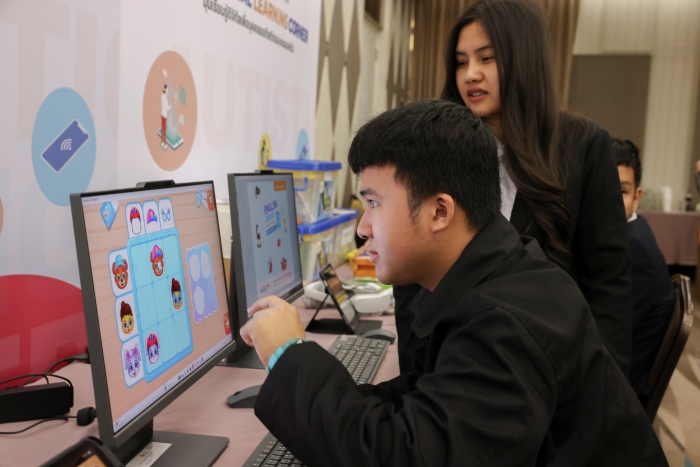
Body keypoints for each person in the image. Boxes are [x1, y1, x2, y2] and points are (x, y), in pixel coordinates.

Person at [240, 100, 667, 466]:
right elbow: (429, 405)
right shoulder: (503, 272)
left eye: (373, 203)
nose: (362, 228)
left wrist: (289, 355)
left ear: (440, 212)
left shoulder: (504, 324)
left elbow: (408, 455)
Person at [394, 0, 633, 378]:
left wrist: (599, 386)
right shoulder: (437, 149)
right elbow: (414, 275)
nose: (470, 74)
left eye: (487, 58)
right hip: (455, 366)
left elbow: (609, 285)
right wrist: (418, 377)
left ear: (524, 60)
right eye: (461, 62)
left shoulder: (582, 146)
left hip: (547, 371)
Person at [614, 138, 675, 409]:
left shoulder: (635, 248)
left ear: (636, 198)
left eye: (622, 192)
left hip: (621, 393)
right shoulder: (627, 235)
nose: (613, 201)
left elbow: (609, 336)